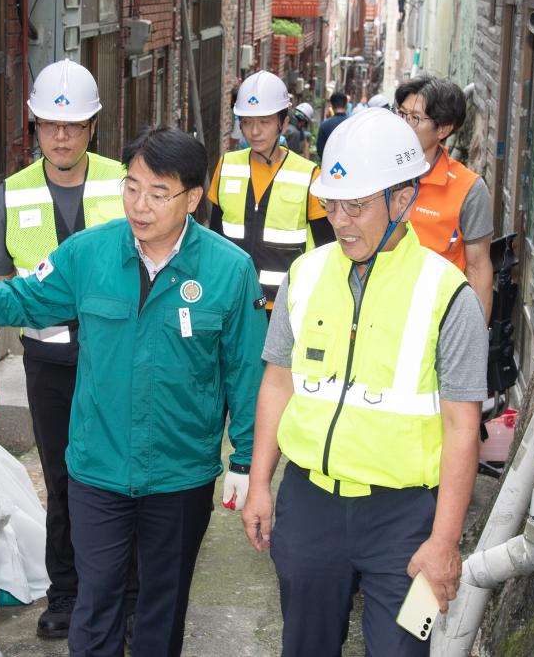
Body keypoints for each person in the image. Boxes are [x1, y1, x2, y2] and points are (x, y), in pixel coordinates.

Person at [0, 126, 267, 657]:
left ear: (193, 198)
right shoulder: (89, 253)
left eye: (158, 192)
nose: (140, 205)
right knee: (96, 603)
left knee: (162, 607)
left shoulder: (228, 270)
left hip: (179, 473)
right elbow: (20, 298)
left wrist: (246, 461)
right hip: (98, 469)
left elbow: (245, 373)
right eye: (132, 187)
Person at [241, 108, 487, 656]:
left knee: (405, 649)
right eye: (332, 204)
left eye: (357, 205)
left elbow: (461, 425)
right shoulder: (304, 276)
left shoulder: (448, 295)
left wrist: (444, 542)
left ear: (402, 200)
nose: (341, 220)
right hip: (310, 505)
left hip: (407, 520)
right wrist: (260, 483)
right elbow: (277, 382)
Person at [0, 58, 131, 639]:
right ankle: (67, 592)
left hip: (119, 360)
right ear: (34, 127)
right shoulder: (11, 195)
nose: (61, 137)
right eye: (49, 126)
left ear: (93, 127)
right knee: (62, 479)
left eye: (74, 126)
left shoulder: (124, 180)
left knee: (121, 473)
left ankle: (125, 593)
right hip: (51, 364)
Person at [208, 71, 335, 318]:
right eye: (246, 121)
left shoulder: (310, 175)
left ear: (283, 123)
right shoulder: (226, 166)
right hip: (231, 300)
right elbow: (213, 237)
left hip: (284, 306)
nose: (254, 131)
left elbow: (326, 248)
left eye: (264, 121)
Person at [394, 75, 494, 317]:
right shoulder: (378, 172)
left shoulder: (469, 189)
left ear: (444, 129)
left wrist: (475, 341)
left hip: (435, 320)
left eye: (415, 118)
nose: (403, 125)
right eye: (401, 114)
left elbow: (478, 267)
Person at [316, 91, 349, 158]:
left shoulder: (324, 125)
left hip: (329, 165)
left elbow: (320, 151)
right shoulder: (352, 123)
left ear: (332, 106)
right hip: (347, 165)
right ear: (346, 106)